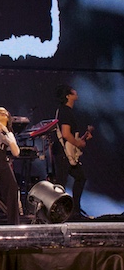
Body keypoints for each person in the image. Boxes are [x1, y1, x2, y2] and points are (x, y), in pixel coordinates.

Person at [52, 84, 91, 219]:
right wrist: (78, 143)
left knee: (79, 177)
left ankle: (74, 210)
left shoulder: (65, 111)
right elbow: (66, 134)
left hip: (66, 153)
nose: (76, 91)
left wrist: (82, 138)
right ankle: (60, 212)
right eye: (73, 91)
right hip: (63, 153)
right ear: (68, 96)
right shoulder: (65, 111)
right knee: (61, 183)